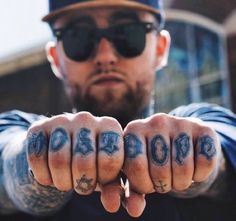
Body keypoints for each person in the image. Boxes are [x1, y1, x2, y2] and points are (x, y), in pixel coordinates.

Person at [0, 0, 236, 220]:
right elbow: (7, 158)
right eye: (77, 37)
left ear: (160, 49)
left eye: (129, 33)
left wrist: (202, 163)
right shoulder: (18, 128)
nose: (105, 56)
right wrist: (34, 161)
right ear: (55, 58)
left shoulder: (206, 118)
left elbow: (221, 146)